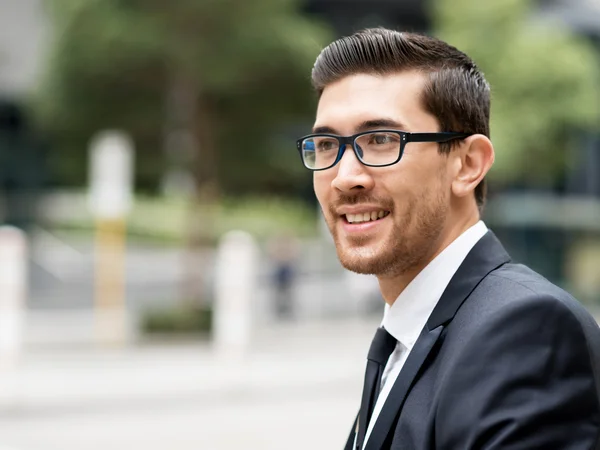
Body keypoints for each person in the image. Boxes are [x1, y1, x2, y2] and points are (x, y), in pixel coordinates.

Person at [295, 28, 600, 449]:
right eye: (327, 144)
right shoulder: (408, 335)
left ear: (468, 164)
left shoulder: (523, 329)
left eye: (382, 140)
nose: (345, 178)